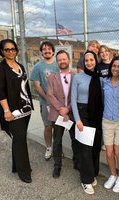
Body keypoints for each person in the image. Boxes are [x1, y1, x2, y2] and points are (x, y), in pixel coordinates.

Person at [0, 39, 34, 183]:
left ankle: (17, 166)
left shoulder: (20, 66)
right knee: (20, 138)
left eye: (13, 49)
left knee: (19, 138)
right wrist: (6, 111)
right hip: (11, 110)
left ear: (16, 50)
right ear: (2, 52)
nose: (10, 52)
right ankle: (24, 172)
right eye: (7, 49)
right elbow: (1, 92)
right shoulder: (0, 69)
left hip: (25, 108)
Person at [71, 50, 103, 195]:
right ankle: (86, 179)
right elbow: (73, 99)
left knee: (95, 146)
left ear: (95, 61)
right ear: (83, 62)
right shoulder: (77, 77)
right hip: (82, 113)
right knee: (85, 148)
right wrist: (77, 119)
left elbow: (102, 98)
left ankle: (93, 173)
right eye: (86, 60)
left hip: (96, 114)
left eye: (91, 60)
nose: (89, 63)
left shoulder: (99, 78)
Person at [46, 50, 78, 178]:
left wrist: (68, 108)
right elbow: (50, 95)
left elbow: (76, 96)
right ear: (57, 61)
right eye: (59, 60)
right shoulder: (51, 77)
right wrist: (61, 109)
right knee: (57, 141)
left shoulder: (76, 77)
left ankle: (77, 161)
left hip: (71, 113)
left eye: (64, 59)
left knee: (75, 140)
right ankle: (57, 165)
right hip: (57, 114)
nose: (62, 61)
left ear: (69, 60)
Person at [101, 56, 119, 193]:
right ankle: (113, 175)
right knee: (109, 152)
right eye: (114, 66)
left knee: (118, 152)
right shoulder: (104, 81)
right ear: (110, 67)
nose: (116, 69)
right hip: (106, 121)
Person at [30, 41, 59, 161]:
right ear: (41, 52)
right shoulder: (38, 67)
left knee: (58, 127)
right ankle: (49, 147)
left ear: (53, 51)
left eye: (49, 49)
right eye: (44, 49)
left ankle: (58, 148)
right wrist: (48, 99)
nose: (47, 51)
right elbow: (37, 86)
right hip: (45, 102)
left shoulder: (58, 65)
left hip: (58, 103)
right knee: (48, 126)